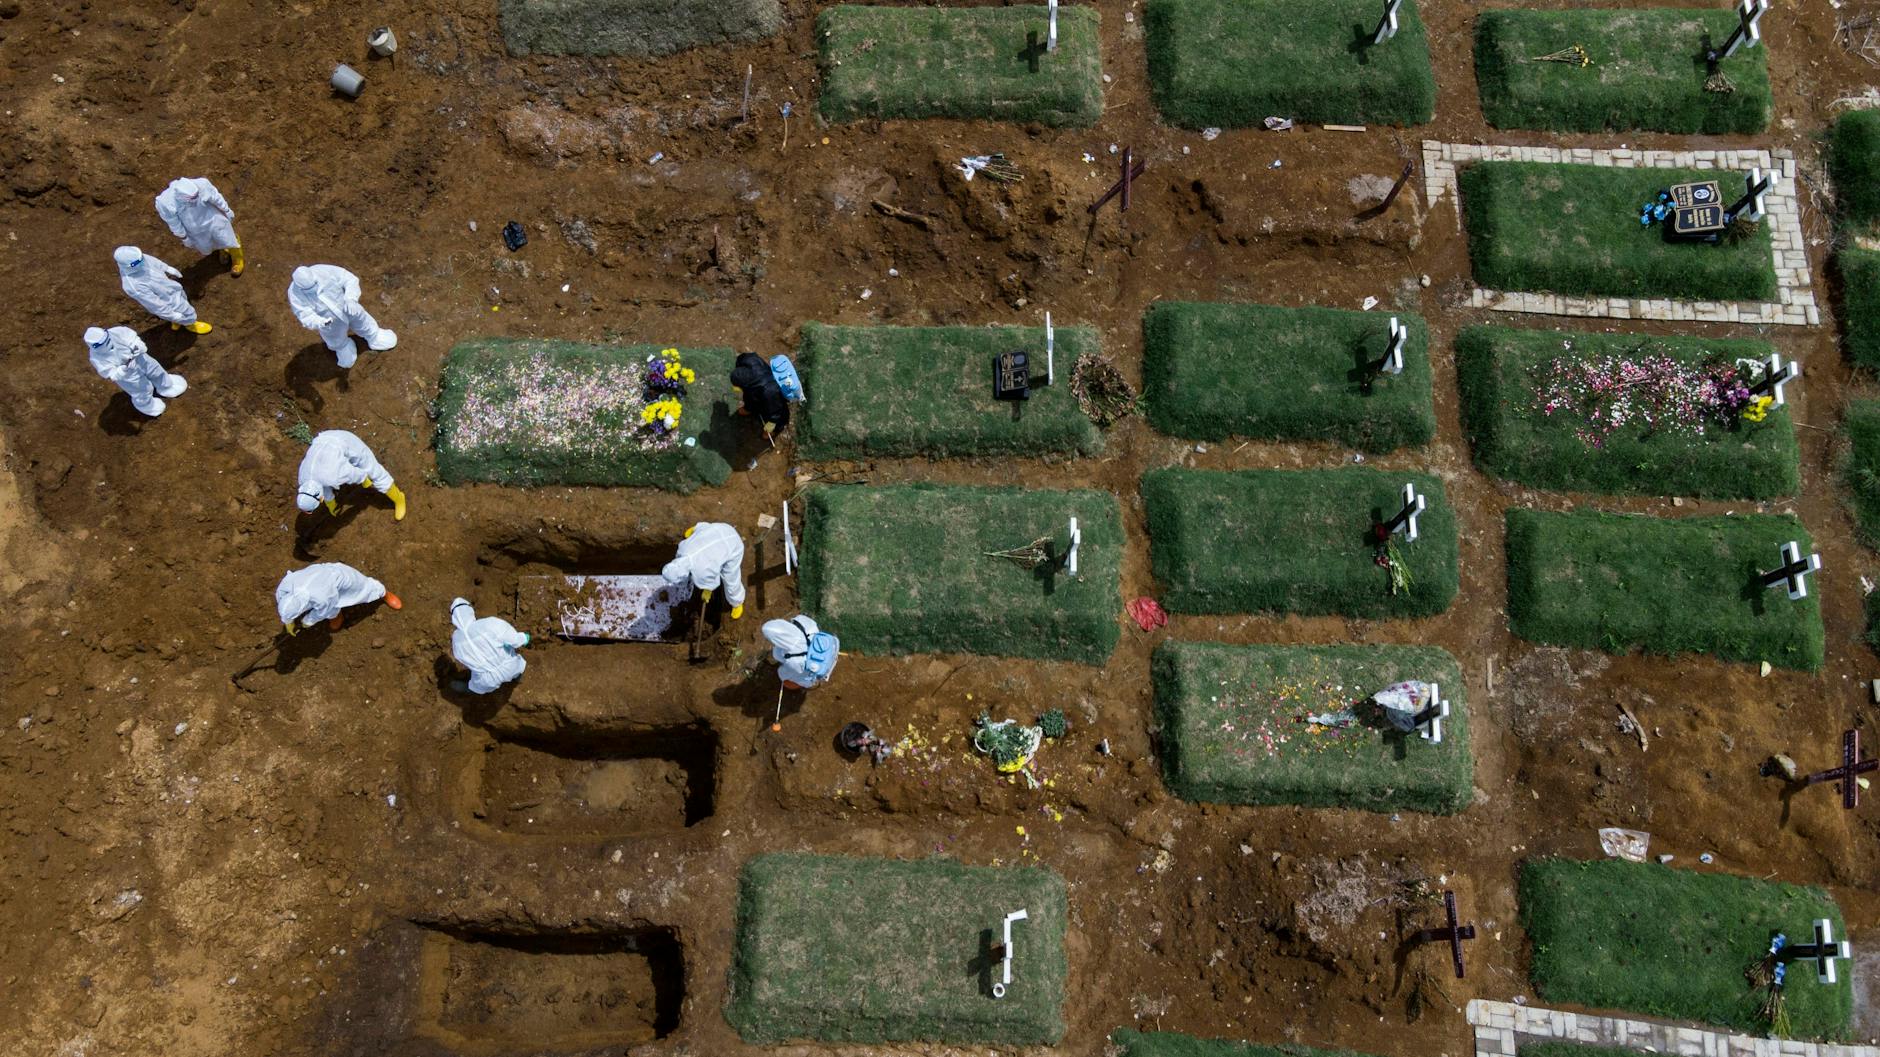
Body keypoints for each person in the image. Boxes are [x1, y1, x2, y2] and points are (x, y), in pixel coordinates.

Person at [287, 264, 398, 369]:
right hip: (328, 319)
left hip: (346, 306)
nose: (313, 289)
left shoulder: (323, 271)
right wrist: (319, 322)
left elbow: (349, 279)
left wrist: (351, 299)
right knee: (334, 335)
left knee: (361, 319)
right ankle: (343, 347)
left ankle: (374, 335)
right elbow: (305, 314)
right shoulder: (294, 294)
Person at [296, 429, 406, 520]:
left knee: (372, 470)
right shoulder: (303, 479)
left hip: (345, 441)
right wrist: (331, 504)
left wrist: (364, 479)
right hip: (325, 439)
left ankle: (399, 498)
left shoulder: (332, 476)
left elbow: (353, 473)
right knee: (334, 474)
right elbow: (322, 486)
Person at [84, 326, 186, 417]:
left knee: (156, 370)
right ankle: (147, 405)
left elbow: (132, 337)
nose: (108, 342)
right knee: (142, 390)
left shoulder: (116, 332)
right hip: (128, 375)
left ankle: (167, 386)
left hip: (139, 358)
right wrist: (121, 371)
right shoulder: (96, 358)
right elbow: (109, 373)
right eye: (104, 343)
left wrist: (137, 346)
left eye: (107, 339)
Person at [276, 562, 401, 636]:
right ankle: (337, 616)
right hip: (321, 586)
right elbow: (284, 603)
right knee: (331, 608)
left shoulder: (321, 597)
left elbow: (323, 610)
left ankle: (383, 593)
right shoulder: (285, 587)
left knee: (363, 587)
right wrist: (288, 621)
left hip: (339, 577)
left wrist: (307, 621)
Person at [154, 177, 243, 276]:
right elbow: (173, 221)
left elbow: (216, 197)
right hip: (194, 230)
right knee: (209, 244)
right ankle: (223, 249)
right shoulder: (165, 202)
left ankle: (237, 258)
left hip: (213, 220)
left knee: (226, 237)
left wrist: (226, 210)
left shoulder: (201, 184)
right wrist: (184, 237)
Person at [115, 246, 211, 333]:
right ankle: (190, 323)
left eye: (141, 258)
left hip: (170, 286)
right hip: (166, 299)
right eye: (137, 262)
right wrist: (171, 314)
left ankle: (178, 321)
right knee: (184, 310)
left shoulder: (138, 258)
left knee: (182, 297)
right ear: (127, 266)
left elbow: (153, 261)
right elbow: (154, 304)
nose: (142, 261)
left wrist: (166, 268)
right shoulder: (133, 285)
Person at [661, 521, 746, 619]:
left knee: (731, 579)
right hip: (721, 529)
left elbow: (712, 581)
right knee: (703, 532)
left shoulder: (701, 571)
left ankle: (737, 601)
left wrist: (708, 590)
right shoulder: (683, 548)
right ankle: (695, 528)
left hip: (733, 547)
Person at [448, 597, 529, 694]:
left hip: (486, 680)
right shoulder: (488, 623)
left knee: (476, 687)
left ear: (454, 618)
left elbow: (461, 659)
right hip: (510, 667)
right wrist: (525, 638)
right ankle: (517, 678)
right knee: (517, 668)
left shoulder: (456, 640)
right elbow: (515, 640)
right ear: (470, 610)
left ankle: (469, 689)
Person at [761, 614, 839, 689]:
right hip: (831, 648)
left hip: (814, 671)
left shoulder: (795, 662)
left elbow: (782, 674)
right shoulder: (804, 622)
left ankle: (810, 682)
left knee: (788, 683)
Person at [730, 352, 789, 439]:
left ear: (746, 384)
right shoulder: (748, 360)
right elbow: (740, 358)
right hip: (756, 388)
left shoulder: (769, 392)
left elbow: (776, 410)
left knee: (775, 413)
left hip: (774, 398)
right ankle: (749, 408)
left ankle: (775, 430)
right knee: (750, 396)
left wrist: (772, 423)